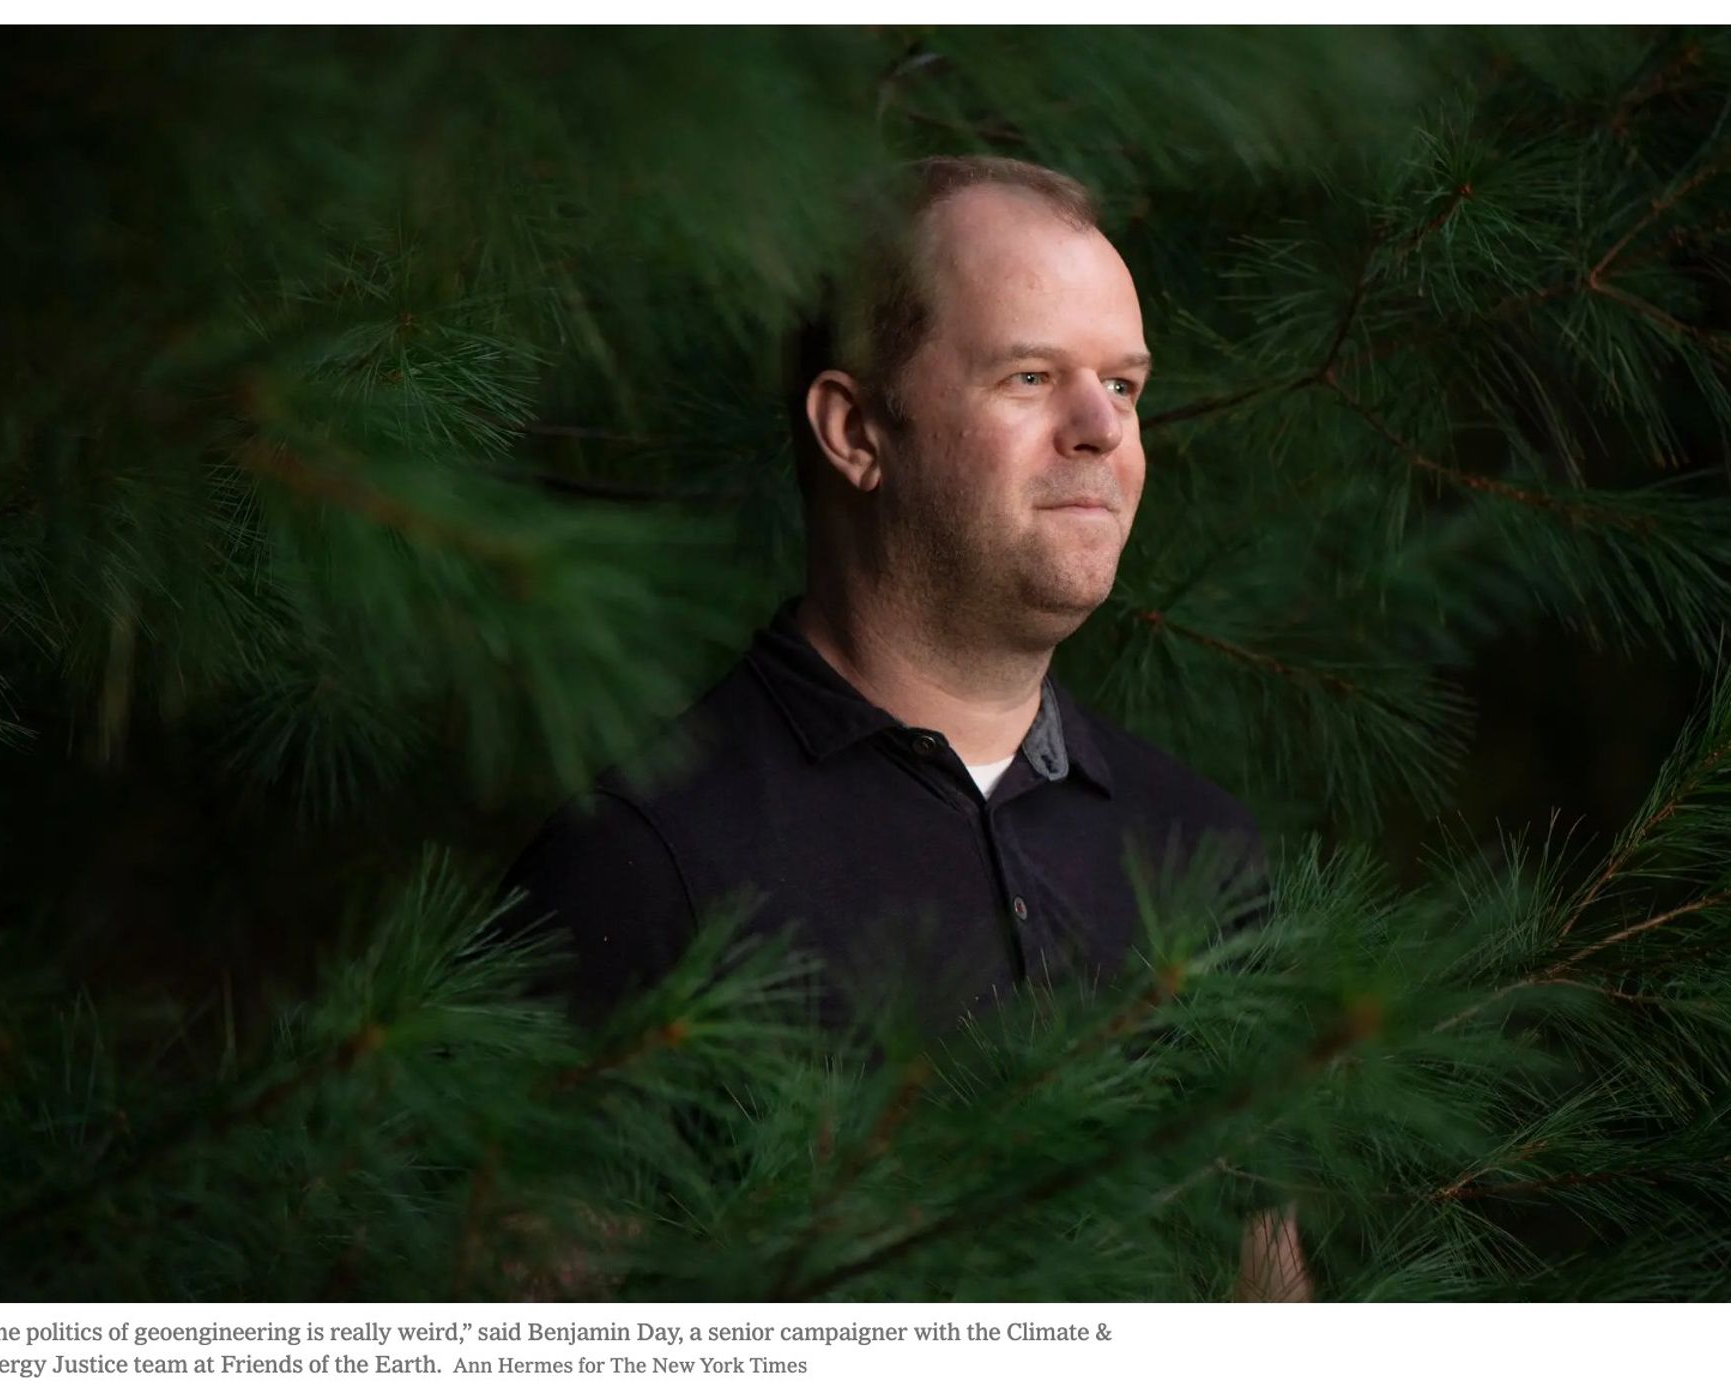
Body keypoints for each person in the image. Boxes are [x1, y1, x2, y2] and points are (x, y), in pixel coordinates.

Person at [502, 154, 1307, 1298]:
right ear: (854, 430)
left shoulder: (1201, 848)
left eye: (1122, 386)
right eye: (1030, 376)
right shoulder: (641, 859)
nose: (1100, 430)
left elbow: (1261, 1307)